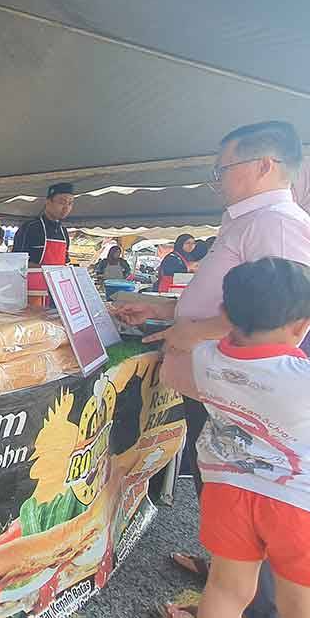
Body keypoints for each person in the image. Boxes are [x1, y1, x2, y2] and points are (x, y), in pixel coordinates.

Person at [114, 121, 310, 618]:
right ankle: (233, 580)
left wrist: (191, 333)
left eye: (224, 169)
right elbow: (235, 304)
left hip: (252, 424)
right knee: (227, 499)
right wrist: (165, 309)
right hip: (233, 409)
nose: (217, 180)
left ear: (264, 165)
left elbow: (271, 312)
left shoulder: (277, 223)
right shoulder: (246, 220)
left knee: (254, 515)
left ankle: (255, 605)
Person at [190, 258, 310, 618]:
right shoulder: (301, 376)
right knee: (297, 603)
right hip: (296, 501)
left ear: (226, 313)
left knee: (226, 589)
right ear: (301, 325)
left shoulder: (203, 357)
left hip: (226, 490)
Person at [12, 182, 74, 298]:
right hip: (31, 293)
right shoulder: (30, 227)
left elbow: (65, 263)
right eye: (62, 202)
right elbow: (16, 261)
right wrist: (47, 271)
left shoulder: (64, 232)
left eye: (70, 203)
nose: (66, 207)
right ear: (48, 202)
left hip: (57, 293)